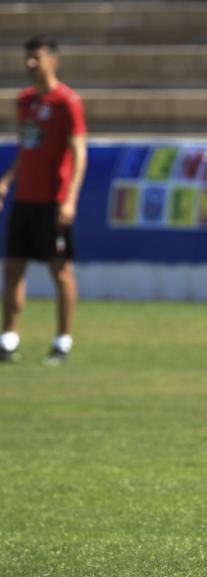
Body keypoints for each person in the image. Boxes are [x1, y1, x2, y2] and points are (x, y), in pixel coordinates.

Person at [0, 35, 87, 365]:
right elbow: (28, 148)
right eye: (28, 58)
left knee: (60, 271)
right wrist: (7, 180)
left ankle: (62, 340)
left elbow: (79, 152)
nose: (30, 64)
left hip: (53, 199)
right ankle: (8, 338)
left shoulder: (68, 102)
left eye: (37, 58)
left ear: (54, 61)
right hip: (25, 198)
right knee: (12, 268)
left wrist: (69, 200)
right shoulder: (24, 101)